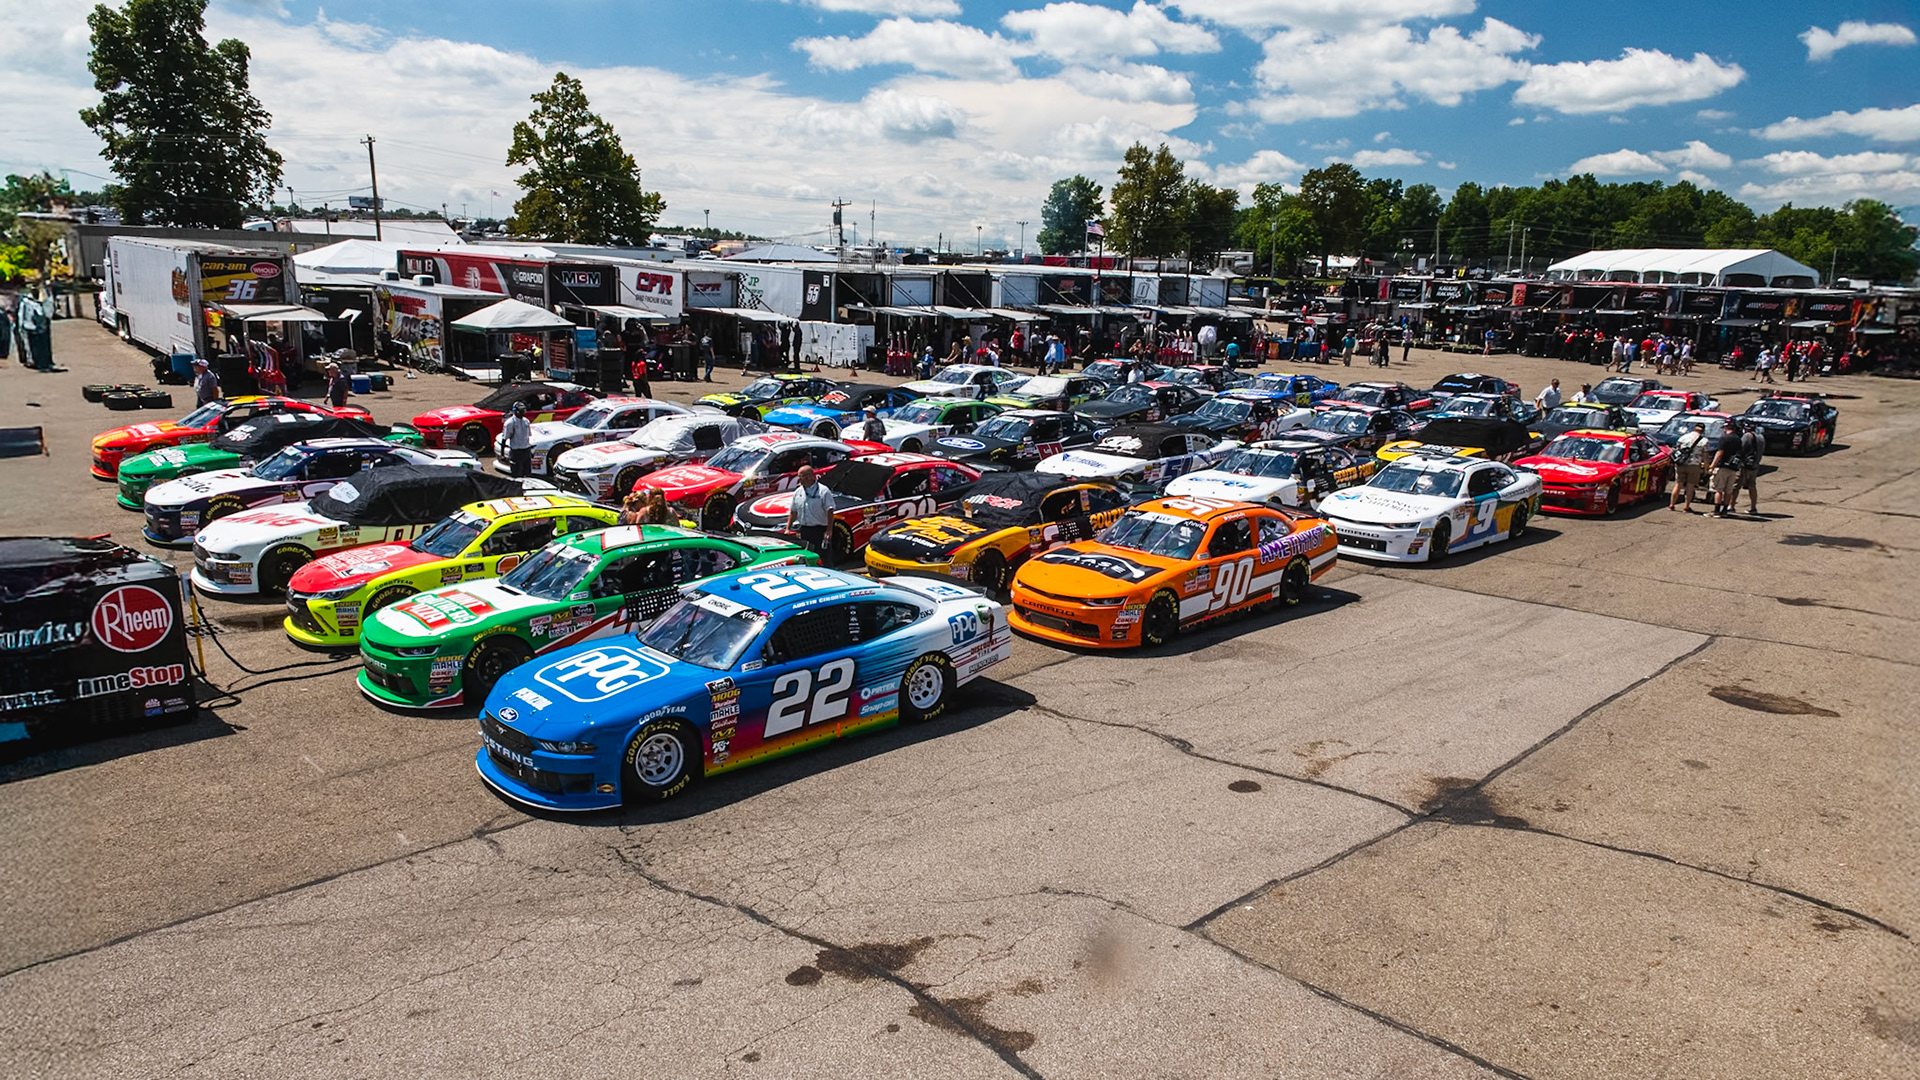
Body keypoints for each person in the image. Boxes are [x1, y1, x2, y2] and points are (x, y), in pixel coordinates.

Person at [786, 464, 833, 559]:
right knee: (807, 557)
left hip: (820, 530)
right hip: (804, 530)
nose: (799, 479)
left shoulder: (823, 491)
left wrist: (829, 530)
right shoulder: (798, 492)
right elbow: (793, 512)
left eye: (801, 476)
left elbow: (830, 511)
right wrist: (788, 529)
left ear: (810, 476)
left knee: (823, 557)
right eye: (799, 476)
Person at [1670, 420, 1708, 512]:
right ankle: (1686, 507)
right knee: (1690, 486)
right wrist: (1706, 468)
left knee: (1678, 484)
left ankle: (1672, 504)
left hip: (1681, 464)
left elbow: (1677, 450)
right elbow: (1705, 456)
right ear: (1703, 430)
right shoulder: (1704, 441)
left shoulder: (1683, 437)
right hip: (1694, 465)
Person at [502, 401, 534, 478]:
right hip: (516, 452)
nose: (523, 413)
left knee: (527, 473)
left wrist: (530, 451)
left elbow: (527, 437)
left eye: (524, 411)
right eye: (521, 411)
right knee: (517, 474)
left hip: (526, 451)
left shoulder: (526, 421)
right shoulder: (510, 423)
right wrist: (502, 454)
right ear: (515, 411)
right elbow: (504, 438)